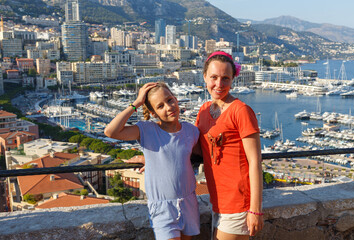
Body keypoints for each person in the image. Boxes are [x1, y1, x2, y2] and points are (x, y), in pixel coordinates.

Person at [104, 82, 200, 240]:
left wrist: (150, 160)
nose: (168, 107)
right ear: (153, 113)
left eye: (169, 100)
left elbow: (191, 156)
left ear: (176, 99)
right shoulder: (146, 130)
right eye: (160, 106)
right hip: (162, 208)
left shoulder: (191, 131)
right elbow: (110, 131)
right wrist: (137, 102)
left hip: (189, 202)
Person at [195, 51, 264, 239]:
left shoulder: (241, 111)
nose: (219, 84)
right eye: (214, 77)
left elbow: (255, 161)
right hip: (217, 201)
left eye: (225, 78)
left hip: (238, 203)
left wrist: (255, 210)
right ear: (204, 77)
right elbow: (191, 147)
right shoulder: (203, 111)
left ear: (233, 79)